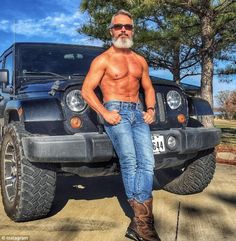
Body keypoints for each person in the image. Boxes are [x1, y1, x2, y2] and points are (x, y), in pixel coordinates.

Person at [81, 9, 161, 241]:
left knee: (148, 162)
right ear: (111, 30)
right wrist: (105, 112)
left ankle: (138, 223)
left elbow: (148, 88)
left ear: (133, 30)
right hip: (116, 112)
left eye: (127, 26)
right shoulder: (103, 59)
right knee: (130, 161)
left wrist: (151, 109)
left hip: (137, 113)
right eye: (119, 26)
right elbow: (86, 90)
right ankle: (144, 224)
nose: (123, 30)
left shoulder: (139, 60)